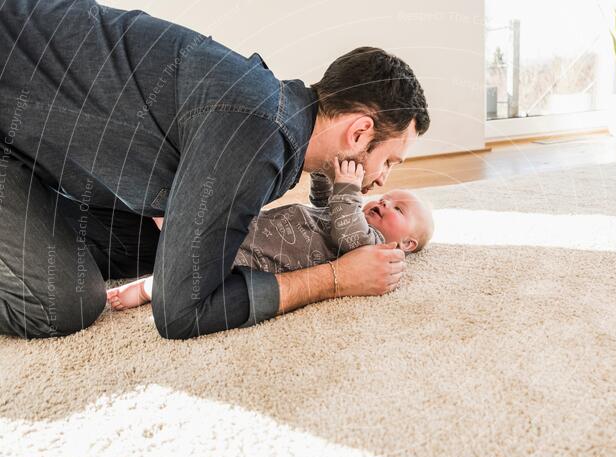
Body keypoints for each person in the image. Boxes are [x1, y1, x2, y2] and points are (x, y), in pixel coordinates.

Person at [0, 0, 429, 340]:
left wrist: (335, 182)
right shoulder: (256, 131)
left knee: (165, 248)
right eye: (388, 160)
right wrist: (334, 279)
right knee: (64, 302)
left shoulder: (272, 114)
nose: (381, 180)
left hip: (22, 137)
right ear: (358, 133)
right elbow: (181, 312)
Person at [106, 158, 435, 310]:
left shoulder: (375, 248)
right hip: (253, 228)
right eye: (387, 197)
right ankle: (167, 227)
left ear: (406, 244)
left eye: (398, 209)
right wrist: (326, 174)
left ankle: (150, 287)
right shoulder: (347, 210)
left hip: (259, 258)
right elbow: (324, 203)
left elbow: (348, 233)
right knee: (209, 226)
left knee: (207, 263)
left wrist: (348, 189)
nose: (385, 200)